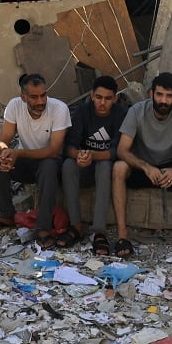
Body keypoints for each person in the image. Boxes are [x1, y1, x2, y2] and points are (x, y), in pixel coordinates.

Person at [111, 72, 172, 260]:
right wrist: (146, 167)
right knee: (119, 168)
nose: (164, 100)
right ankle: (123, 236)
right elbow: (122, 150)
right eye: (160, 94)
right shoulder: (137, 111)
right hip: (143, 166)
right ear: (151, 93)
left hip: (171, 167)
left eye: (169, 96)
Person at [0, 73, 71, 246]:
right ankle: (6, 215)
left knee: (48, 167)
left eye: (43, 95)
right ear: (23, 97)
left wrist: (18, 154)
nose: (40, 101)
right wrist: (5, 153)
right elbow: (4, 139)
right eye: (34, 97)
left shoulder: (59, 109)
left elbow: (53, 151)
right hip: (26, 162)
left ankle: (43, 226)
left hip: (51, 162)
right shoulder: (14, 106)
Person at [61, 76, 127, 255]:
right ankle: (76, 226)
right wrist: (80, 155)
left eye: (107, 98)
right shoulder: (82, 111)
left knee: (105, 166)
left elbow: (116, 150)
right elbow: (69, 146)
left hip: (104, 166)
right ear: (92, 96)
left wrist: (92, 155)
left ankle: (100, 232)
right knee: (68, 165)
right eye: (98, 97)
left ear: (115, 98)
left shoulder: (121, 114)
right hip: (84, 164)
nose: (102, 103)